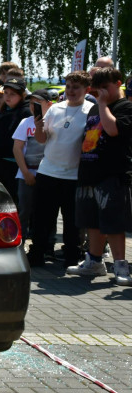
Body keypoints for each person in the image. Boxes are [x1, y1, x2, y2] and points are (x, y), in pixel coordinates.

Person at [67, 67, 132, 285]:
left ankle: (121, 265)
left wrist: (103, 104)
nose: (101, 93)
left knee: (113, 222)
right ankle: (94, 262)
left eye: (106, 88)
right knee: (91, 220)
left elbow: (113, 130)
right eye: (98, 89)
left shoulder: (125, 107)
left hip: (112, 174)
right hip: (89, 171)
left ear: (118, 83)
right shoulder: (95, 108)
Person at [27, 71, 93, 269]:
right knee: (42, 218)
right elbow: (42, 139)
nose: (71, 91)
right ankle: (37, 254)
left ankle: (72, 256)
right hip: (48, 171)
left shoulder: (92, 110)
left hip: (74, 174)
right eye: (69, 87)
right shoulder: (55, 109)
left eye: (76, 87)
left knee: (72, 221)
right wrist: (39, 127)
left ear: (86, 90)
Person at [13, 89, 53, 238]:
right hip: (26, 174)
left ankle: (47, 244)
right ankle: (20, 240)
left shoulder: (54, 121)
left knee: (46, 211)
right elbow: (17, 148)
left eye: (37, 103)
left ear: (49, 104)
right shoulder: (26, 122)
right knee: (24, 210)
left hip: (48, 173)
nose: (32, 106)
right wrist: (25, 172)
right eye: (30, 103)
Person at [0, 77, 30, 205]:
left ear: (22, 95)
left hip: (16, 164)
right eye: (6, 93)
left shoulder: (26, 112)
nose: (8, 97)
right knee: (2, 199)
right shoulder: (1, 111)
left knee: (15, 200)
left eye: (13, 94)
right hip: (0, 161)